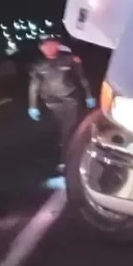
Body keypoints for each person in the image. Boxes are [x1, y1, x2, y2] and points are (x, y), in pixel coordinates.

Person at [28, 38, 96, 169]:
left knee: (68, 129)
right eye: (44, 46)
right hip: (52, 103)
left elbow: (82, 79)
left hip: (71, 100)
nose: (47, 48)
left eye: (51, 45)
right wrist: (32, 106)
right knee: (65, 129)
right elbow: (34, 86)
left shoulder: (70, 60)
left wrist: (89, 96)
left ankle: (66, 160)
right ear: (41, 49)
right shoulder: (38, 66)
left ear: (57, 45)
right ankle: (73, 153)